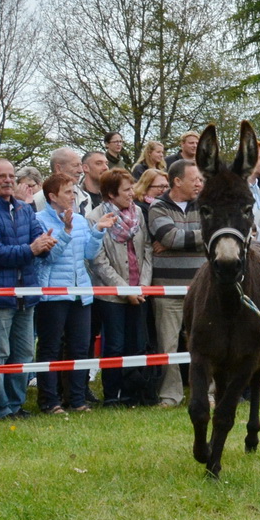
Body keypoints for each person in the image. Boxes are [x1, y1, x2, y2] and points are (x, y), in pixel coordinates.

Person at [0, 157, 57, 419]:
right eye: (1, 176)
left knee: (24, 352)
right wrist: (31, 249)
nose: (8, 180)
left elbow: (38, 239)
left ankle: (16, 405)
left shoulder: (24, 209)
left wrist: (44, 245)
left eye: (11, 176)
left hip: (26, 293)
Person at [34, 173, 111, 413]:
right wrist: (65, 232)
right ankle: (49, 400)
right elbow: (49, 258)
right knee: (50, 347)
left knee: (80, 347)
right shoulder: (37, 220)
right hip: (53, 294)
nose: (73, 196)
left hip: (81, 293)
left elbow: (88, 253)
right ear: (52, 196)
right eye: (68, 192)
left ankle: (77, 399)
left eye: (74, 192)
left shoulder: (79, 219)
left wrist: (98, 230)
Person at [88, 169, 155, 407]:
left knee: (136, 344)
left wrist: (143, 285)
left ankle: (133, 393)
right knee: (114, 345)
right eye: (126, 189)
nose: (131, 193)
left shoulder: (138, 213)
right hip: (111, 296)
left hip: (141, 290)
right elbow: (98, 260)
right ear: (110, 193)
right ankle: (112, 395)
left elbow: (147, 248)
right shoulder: (95, 217)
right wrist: (124, 289)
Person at [146, 159, 203, 406]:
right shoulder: (158, 207)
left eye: (201, 179)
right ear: (177, 181)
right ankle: (171, 395)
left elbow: (216, 231)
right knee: (167, 345)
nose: (200, 184)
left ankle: (206, 392)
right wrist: (204, 235)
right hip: (167, 290)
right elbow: (169, 236)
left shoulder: (205, 205)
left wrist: (179, 239)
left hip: (201, 289)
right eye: (195, 179)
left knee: (203, 344)